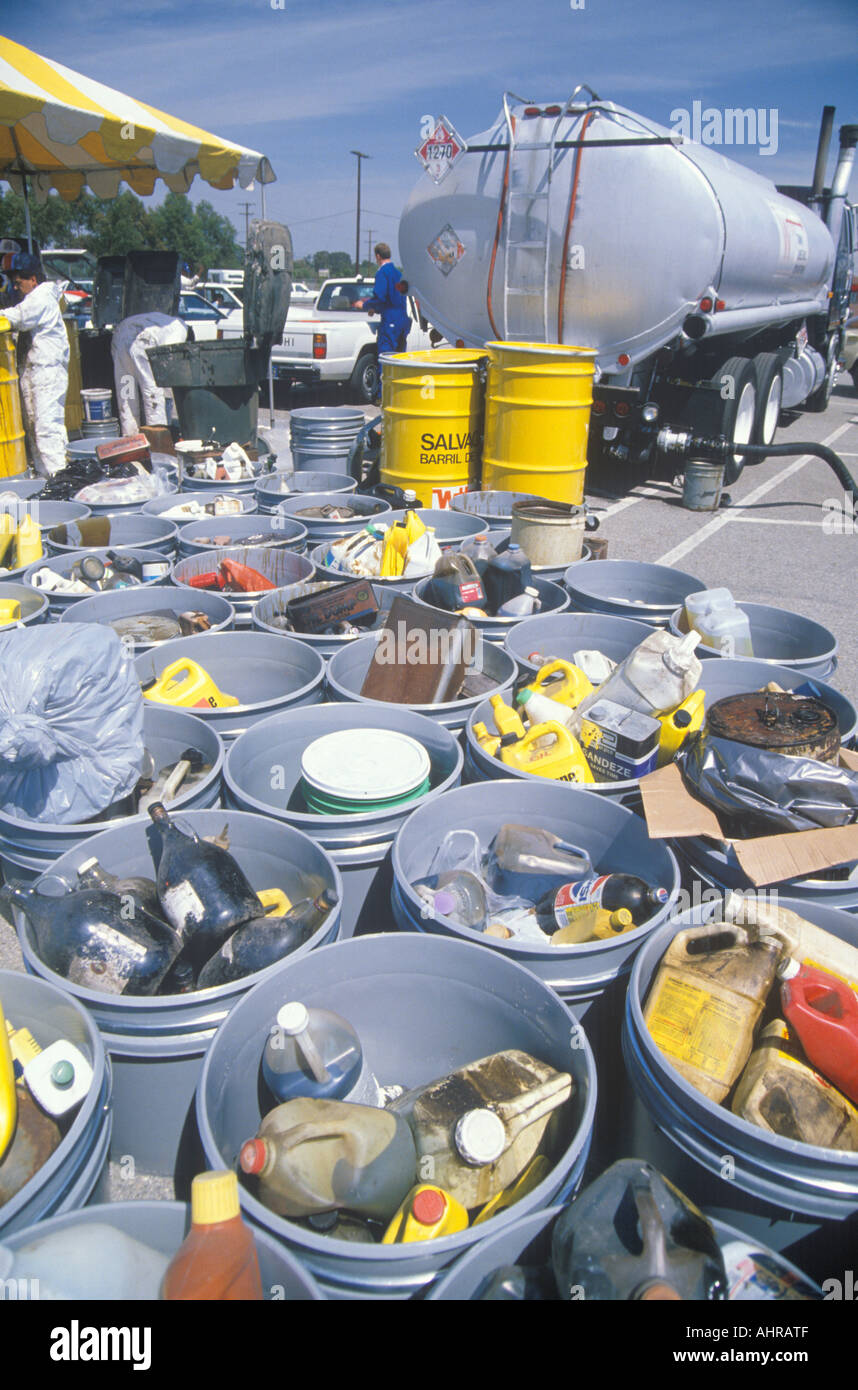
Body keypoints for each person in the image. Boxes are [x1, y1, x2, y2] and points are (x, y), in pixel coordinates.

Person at [1, 252, 69, 476]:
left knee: (46, 428)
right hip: (34, 372)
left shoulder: (40, 297)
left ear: (33, 279)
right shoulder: (33, 298)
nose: (15, 287)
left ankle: (59, 479)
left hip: (47, 372)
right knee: (33, 426)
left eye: (18, 282)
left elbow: (18, 317)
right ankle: (44, 478)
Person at [111, 311, 187, 435]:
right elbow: (168, 358)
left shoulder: (165, 321)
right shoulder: (180, 328)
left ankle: (130, 438)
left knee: (127, 392)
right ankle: (157, 442)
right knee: (152, 392)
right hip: (143, 342)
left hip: (121, 336)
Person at [353, 243, 411, 397]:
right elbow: (395, 296)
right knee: (399, 359)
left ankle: (382, 396)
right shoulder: (398, 274)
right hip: (403, 320)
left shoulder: (382, 273)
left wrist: (364, 305)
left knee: (385, 359)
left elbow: (380, 297)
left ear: (378, 256)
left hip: (390, 321)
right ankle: (397, 394)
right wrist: (376, 308)